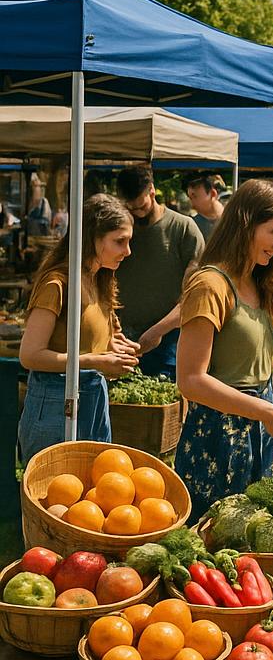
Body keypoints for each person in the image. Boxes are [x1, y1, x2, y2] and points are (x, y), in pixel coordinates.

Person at [174, 179, 273, 520]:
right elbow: (190, 380)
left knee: (253, 543)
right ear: (246, 224)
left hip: (259, 436)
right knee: (211, 547)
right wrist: (266, 412)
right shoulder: (210, 285)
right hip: (216, 439)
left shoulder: (266, 284)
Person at [17, 195, 140, 461]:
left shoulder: (99, 279)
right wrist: (95, 360)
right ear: (91, 238)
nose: (128, 251)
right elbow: (29, 356)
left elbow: (86, 340)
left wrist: (112, 346)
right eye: (120, 241)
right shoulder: (57, 285)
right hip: (56, 402)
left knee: (92, 496)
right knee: (56, 497)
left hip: (92, 398)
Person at [115, 165, 205, 377]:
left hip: (169, 340)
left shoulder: (184, 228)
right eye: (129, 208)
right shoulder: (120, 229)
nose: (135, 213)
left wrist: (157, 331)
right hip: (122, 338)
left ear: (152, 192)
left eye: (140, 206)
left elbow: (193, 295)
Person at [186, 174, 225, 241]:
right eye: (190, 198)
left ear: (213, 194)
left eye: (195, 197)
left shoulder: (233, 219)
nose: (191, 203)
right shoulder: (191, 225)